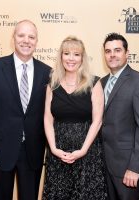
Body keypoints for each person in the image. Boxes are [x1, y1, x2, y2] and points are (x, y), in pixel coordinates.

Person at [0, 20, 51, 200]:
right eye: (21, 35)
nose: (26, 41)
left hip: (33, 150)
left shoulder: (48, 72)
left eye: (31, 37)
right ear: (13, 38)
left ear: (37, 41)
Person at [42, 36, 107, 200]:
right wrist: (54, 149)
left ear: (82, 58)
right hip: (58, 153)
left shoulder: (94, 83)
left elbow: (97, 121)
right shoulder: (53, 84)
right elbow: (48, 119)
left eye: (76, 54)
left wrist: (83, 150)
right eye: (67, 53)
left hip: (87, 152)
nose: (71, 58)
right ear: (61, 57)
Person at [101, 33, 139, 200]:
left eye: (117, 50)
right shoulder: (101, 83)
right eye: (108, 51)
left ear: (127, 53)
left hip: (127, 167)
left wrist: (135, 167)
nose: (112, 55)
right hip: (103, 164)